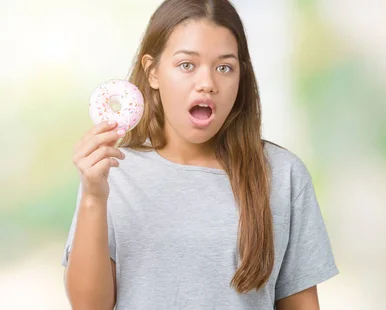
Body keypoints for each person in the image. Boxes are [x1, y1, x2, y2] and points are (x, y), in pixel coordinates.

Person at [61, 0, 338, 309]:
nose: (207, 84)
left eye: (224, 67)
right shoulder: (114, 171)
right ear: (152, 72)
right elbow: (89, 306)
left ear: (240, 77)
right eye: (187, 65)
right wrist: (92, 197)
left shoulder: (283, 174)